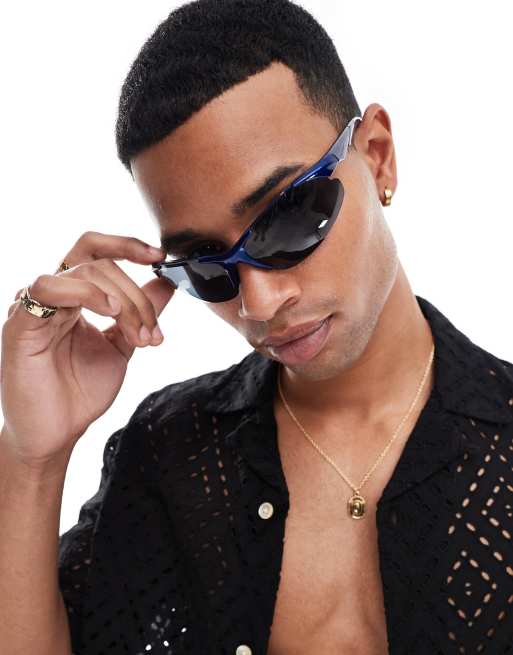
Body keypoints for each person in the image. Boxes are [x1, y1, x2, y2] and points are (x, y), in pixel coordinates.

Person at [1, 0, 512, 653]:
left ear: (377, 156)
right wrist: (32, 457)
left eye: (288, 219)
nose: (260, 303)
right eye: (206, 263)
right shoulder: (167, 453)